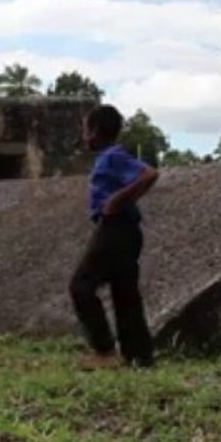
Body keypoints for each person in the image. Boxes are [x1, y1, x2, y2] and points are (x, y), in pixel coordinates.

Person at [70, 105, 159, 370]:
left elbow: (150, 174)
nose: (84, 136)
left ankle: (104, 351)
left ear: (95, 131)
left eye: (85, 130)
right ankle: (139, 357)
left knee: (81, 285)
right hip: (127, 231)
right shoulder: (110, 157)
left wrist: (115, 202)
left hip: (115, 229)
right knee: (125, 293)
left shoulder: (112, 156)